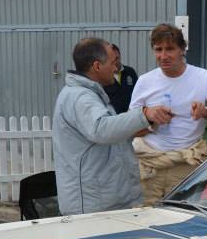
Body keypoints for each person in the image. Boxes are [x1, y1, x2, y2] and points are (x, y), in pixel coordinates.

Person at [53, 38, 172, 215]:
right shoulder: (81, 98)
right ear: (97, 66)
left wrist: (141, 126)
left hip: (102, 201)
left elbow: (107, 135)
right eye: (112, 63)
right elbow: (102, 130)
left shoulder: (89, 94)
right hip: (92, 208)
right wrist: (144, 114)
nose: (116, 68)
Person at [128, 23, 207, 205]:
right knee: (144, 221)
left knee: (182, 222)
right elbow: (130, 130)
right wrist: (150, 120)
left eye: (170, 49)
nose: (163, 56)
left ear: (182, 49)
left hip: (186, 167)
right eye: (158, 49)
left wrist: (205, 112)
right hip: (149, 166)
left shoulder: (204, 77)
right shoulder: (144, 81)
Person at [103, 44, 139, 114]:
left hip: (131, 116)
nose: (115, 62)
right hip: (113, 119)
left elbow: (138, 93)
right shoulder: (104, 76)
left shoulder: (130, 72)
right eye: (112, 60)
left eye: (117, 58)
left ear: (120, 56)